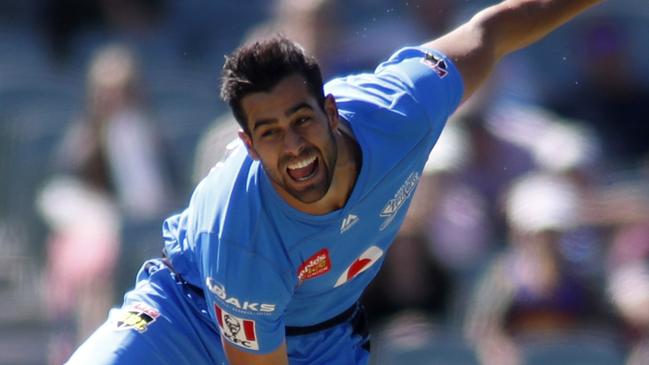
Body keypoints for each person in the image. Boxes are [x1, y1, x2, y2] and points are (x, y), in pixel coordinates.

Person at [65, 1, 603, 364]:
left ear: (330, 110)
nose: (295, 147)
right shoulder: (239, 226)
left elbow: (491, 32)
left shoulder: (399, 107)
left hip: (324, 340)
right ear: (249, 146)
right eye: (270, 134)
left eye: (301, 120)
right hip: (186, 317)